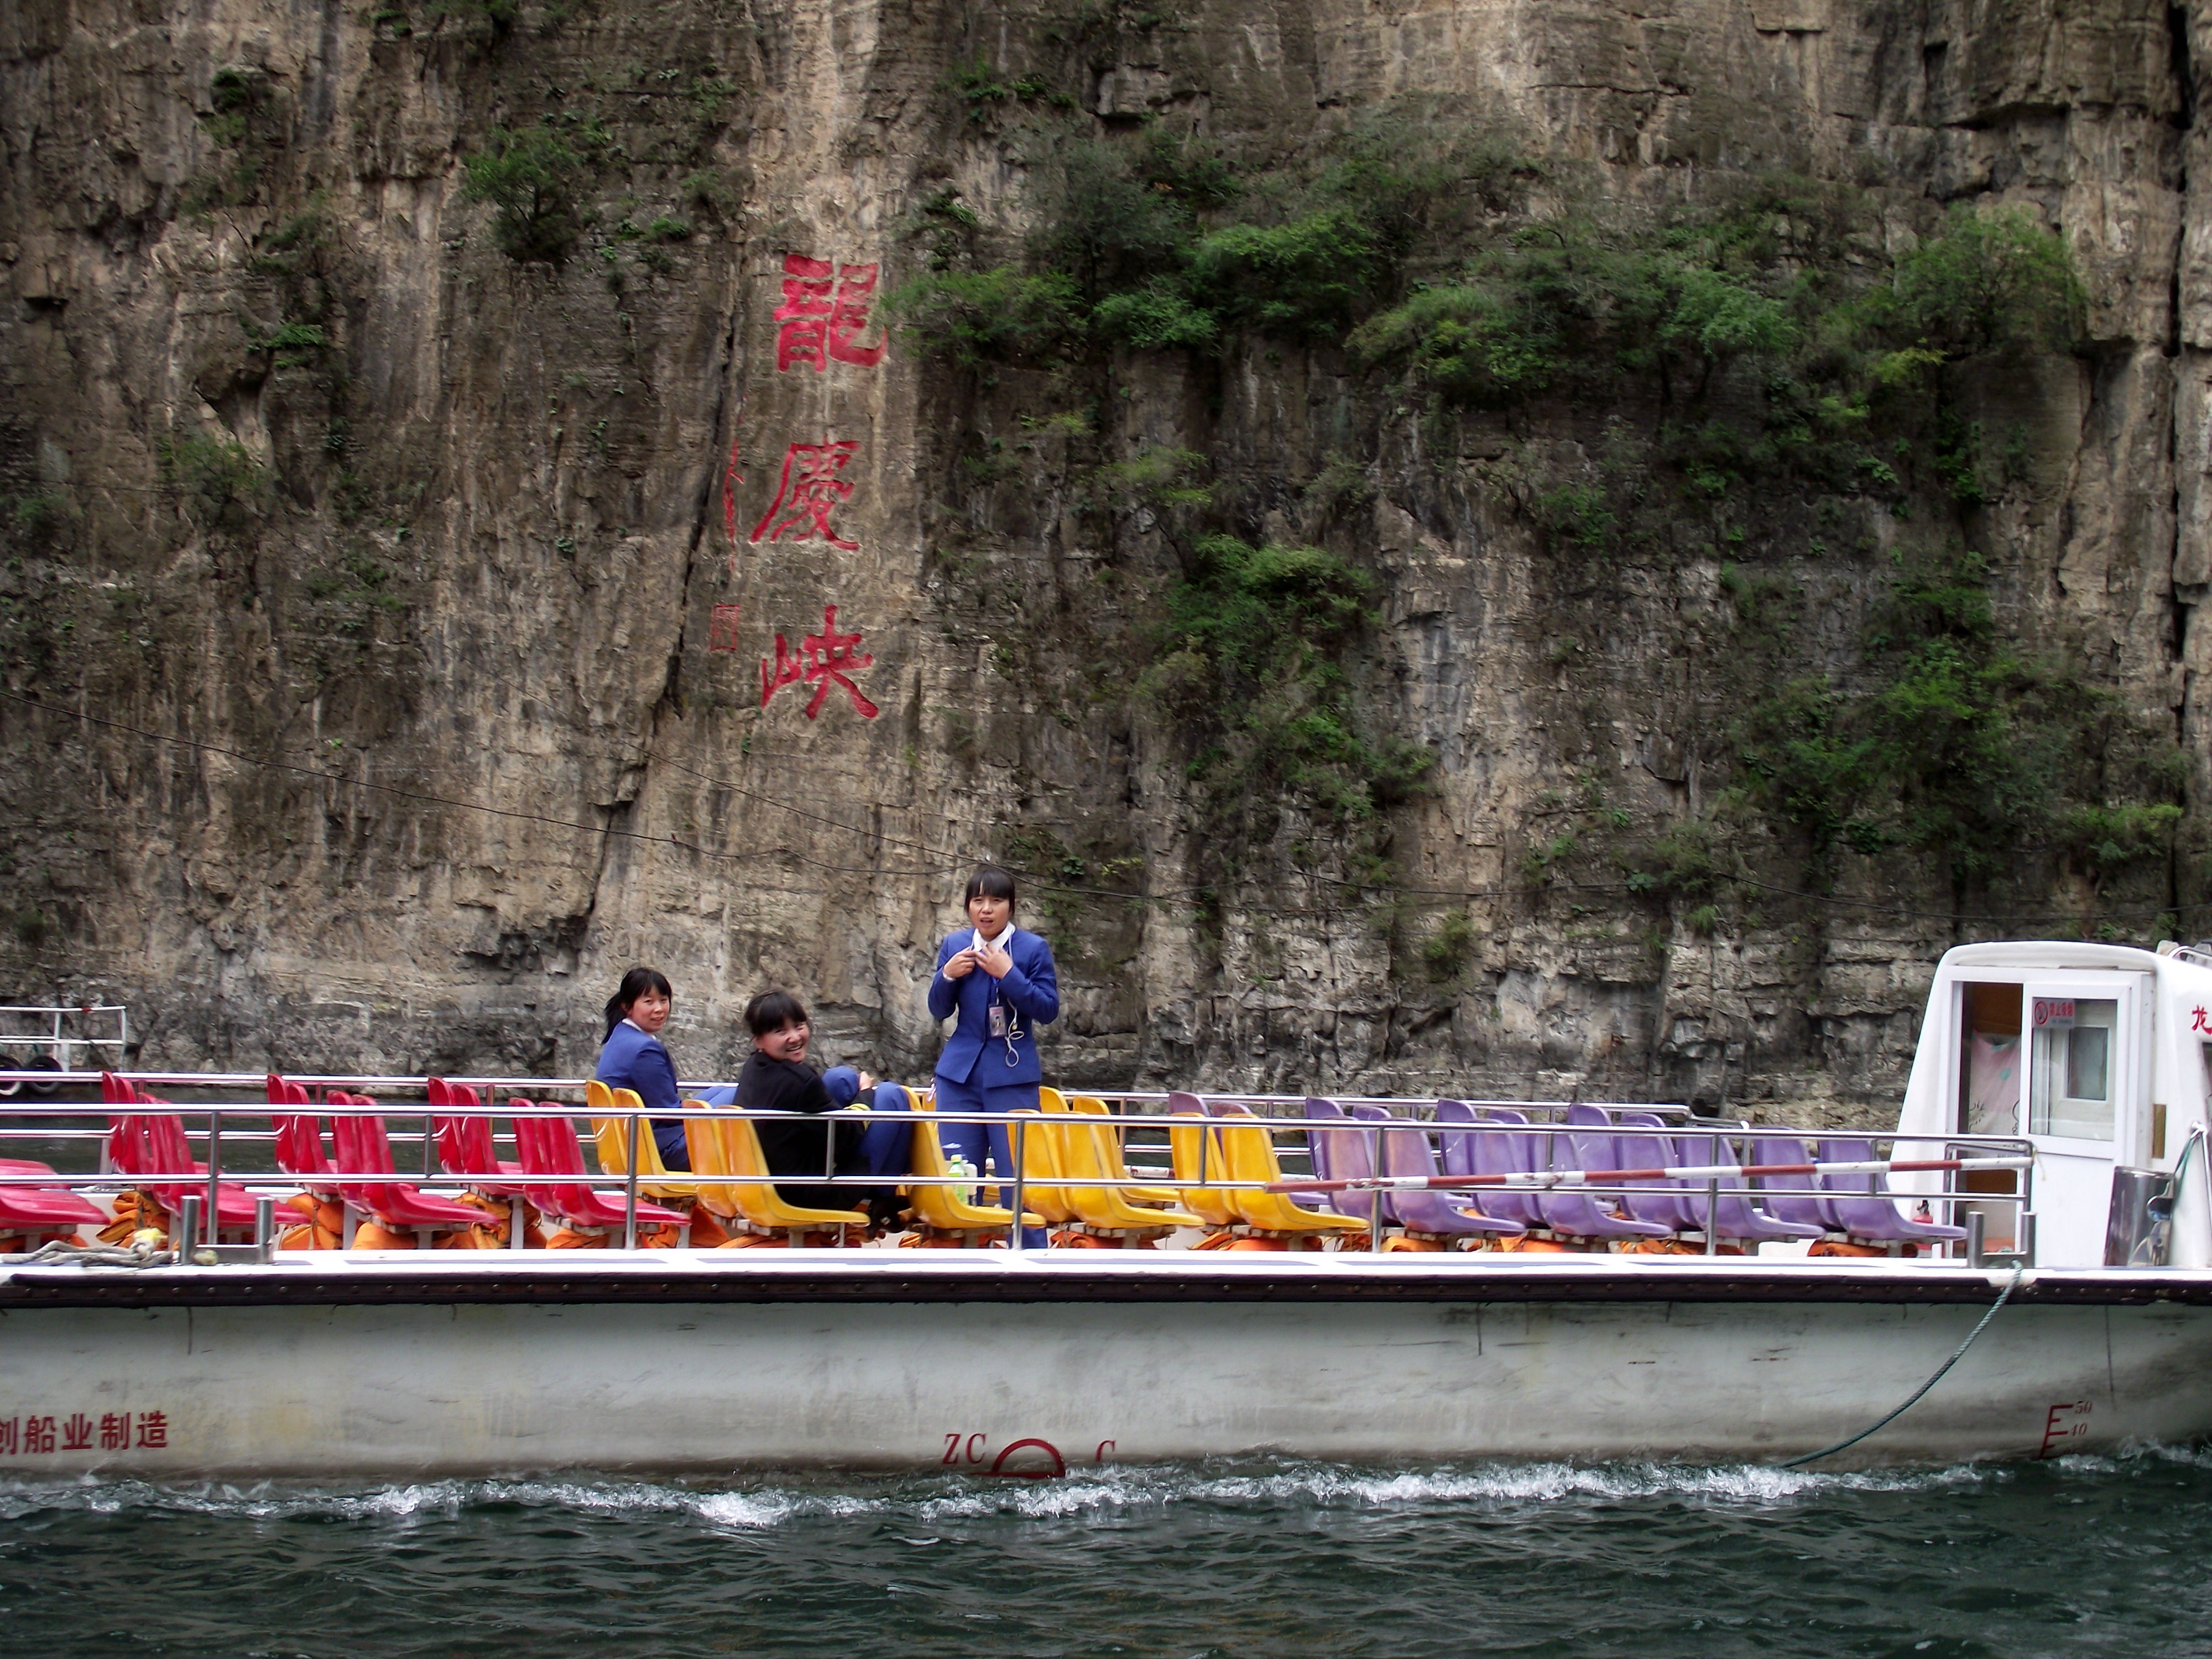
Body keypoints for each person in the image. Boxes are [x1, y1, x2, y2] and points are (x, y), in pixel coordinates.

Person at [927, 865, 1058, 1243]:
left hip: (1011, 1075)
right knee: (959, 1178)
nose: (986, 909)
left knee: (1018, 1181)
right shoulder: (955, 945)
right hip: (959, 1077)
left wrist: (1009, 974)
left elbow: (1048, 1010)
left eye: (996, 901)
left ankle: (1033, 1267)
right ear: (968, 907)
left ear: (1011, 907)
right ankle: (956, 1262)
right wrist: (947, 976)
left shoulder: (1033, 949)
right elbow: (939, 1010)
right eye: (978, 901)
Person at [737, 989, 911, 1228]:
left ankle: (881, 1198)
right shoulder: (799, 1082)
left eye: (799, 1026)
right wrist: (865, 1096)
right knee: (892, 1096)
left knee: (840, 1079)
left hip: (771, 1184)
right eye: (780, 1031)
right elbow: (848, 1136)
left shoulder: (754, 1068)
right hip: (809, 1196)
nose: (794, 1037)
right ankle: (880, 1201)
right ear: (758, 1040)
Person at [595, 967, 691, 1172]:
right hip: (658, 1148)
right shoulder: (644, 1049)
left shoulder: (620, 1037)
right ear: (628, 1007)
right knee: (742, 1118)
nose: (659, 1009)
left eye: (663, 1000)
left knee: (725, 1093)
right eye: (649, 1002)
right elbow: (669, 1112)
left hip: (634, 1141)